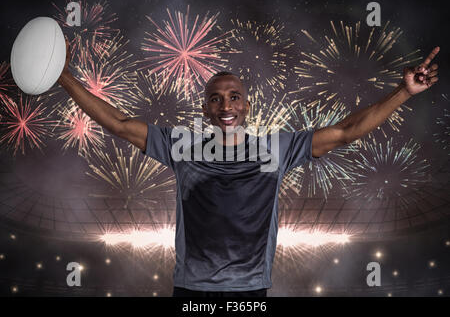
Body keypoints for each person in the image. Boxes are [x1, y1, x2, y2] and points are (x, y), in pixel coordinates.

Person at [57, 36, 439, 297]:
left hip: (250, 291)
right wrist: (63, 76)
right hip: (192, 290)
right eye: (216, 99)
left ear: (247, 105)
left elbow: (344, 132)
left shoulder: (277, 147)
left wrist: (404, 92)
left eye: (234, 97)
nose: (226, 106)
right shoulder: (181, 145)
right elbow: (119, 123)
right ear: (206, 108)